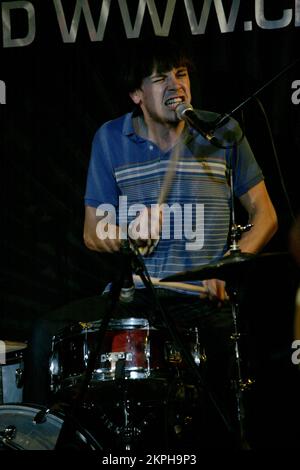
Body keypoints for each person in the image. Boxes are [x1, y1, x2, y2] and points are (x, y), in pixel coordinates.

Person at [24, 38, 278, 450]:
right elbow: (93, 231)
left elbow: (266, 216)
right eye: (160, 77)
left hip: (202, 298)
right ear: (136, 94)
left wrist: (230, 267)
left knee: (220, 411)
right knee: (44, 333)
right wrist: (128, 235)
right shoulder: (110, 138)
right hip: (137, 296)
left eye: (180, 73)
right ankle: (39, 441)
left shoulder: (223, 132)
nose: (175, 84)